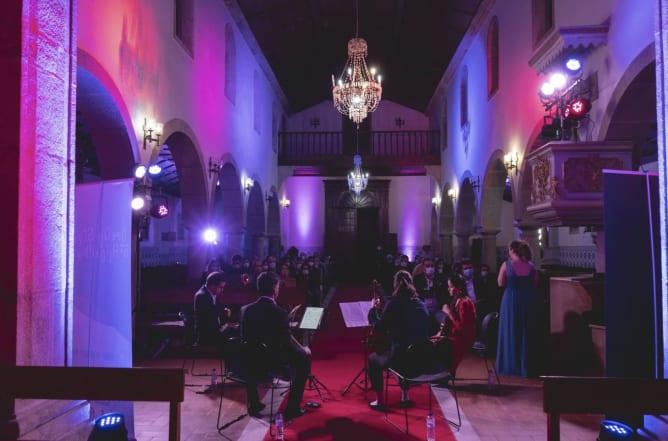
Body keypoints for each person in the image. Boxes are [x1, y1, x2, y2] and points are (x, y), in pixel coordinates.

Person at [240, 271, 312, 419]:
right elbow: (286, 345)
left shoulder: (245, 310)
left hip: (250, 362)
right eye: (278, 286)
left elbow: (244, 338)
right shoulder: (279, 313)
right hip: (273, 364)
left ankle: (253, 403)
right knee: (305, 359)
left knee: (251, 354)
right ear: (274, 289)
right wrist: (302, 351)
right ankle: (292, 408)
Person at [367, 270, 430, 410]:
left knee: (373, 359)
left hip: (401, 359)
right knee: (405, 348)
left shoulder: (394, 303)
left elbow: (379, 327)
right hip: (422, 359)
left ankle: (379, 401)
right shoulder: (421, 304)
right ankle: (405, 395)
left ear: (395, 285)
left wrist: (373, 311)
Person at [496, 239, 540, 377]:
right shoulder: (532, 266)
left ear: (512, 250)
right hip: (528, 301)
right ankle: (526, 366)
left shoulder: (506, 265)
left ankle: (510, 366)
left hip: (511, 301)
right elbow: (535, 284)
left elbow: (500, 283)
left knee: (511, 330)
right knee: (526, 332)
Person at [431, 276, 477, 375]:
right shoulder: (457, 300)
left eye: (451, 286)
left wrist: (449, 313)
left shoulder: (464, 302)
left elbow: (462, 327)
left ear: (459, 287)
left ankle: (443, 373)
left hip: (462, 338)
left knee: (437, 343)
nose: (448, 289)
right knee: (433, 339)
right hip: (456, 334)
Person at [193, 271, 232, 347]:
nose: (222, 290)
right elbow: (212, 313)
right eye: (221, 287)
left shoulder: (211, 293)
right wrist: (224, 311)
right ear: (212, 286)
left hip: (214, 330)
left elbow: (217, 308)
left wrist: (224, 310)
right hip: (206, 335)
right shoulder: (202, 296)